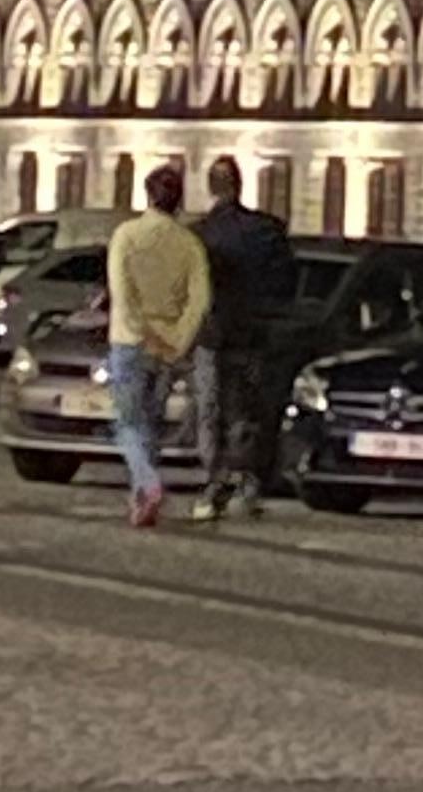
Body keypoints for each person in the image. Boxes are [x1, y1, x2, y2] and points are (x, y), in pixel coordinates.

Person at [105, 161, 212, 529]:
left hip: (130, 341)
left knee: (128, 422)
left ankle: (148, 485)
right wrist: (178, 339)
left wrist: (142, 330)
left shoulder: (127, 235)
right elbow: (199, 298)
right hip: (168, 345)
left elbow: (123, 294)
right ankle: (141, 496)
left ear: (147, 195)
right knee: (150, 420)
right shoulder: (189, 244)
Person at [190, 152, 296, 519]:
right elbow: (286, 285)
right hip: (254, 334)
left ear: (211, 187)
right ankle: (247, 483)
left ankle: (214, 481)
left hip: (212, 334)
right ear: (239, 185)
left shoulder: (200, 233)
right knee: (248, 410)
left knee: (210, 411)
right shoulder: (267, 231)